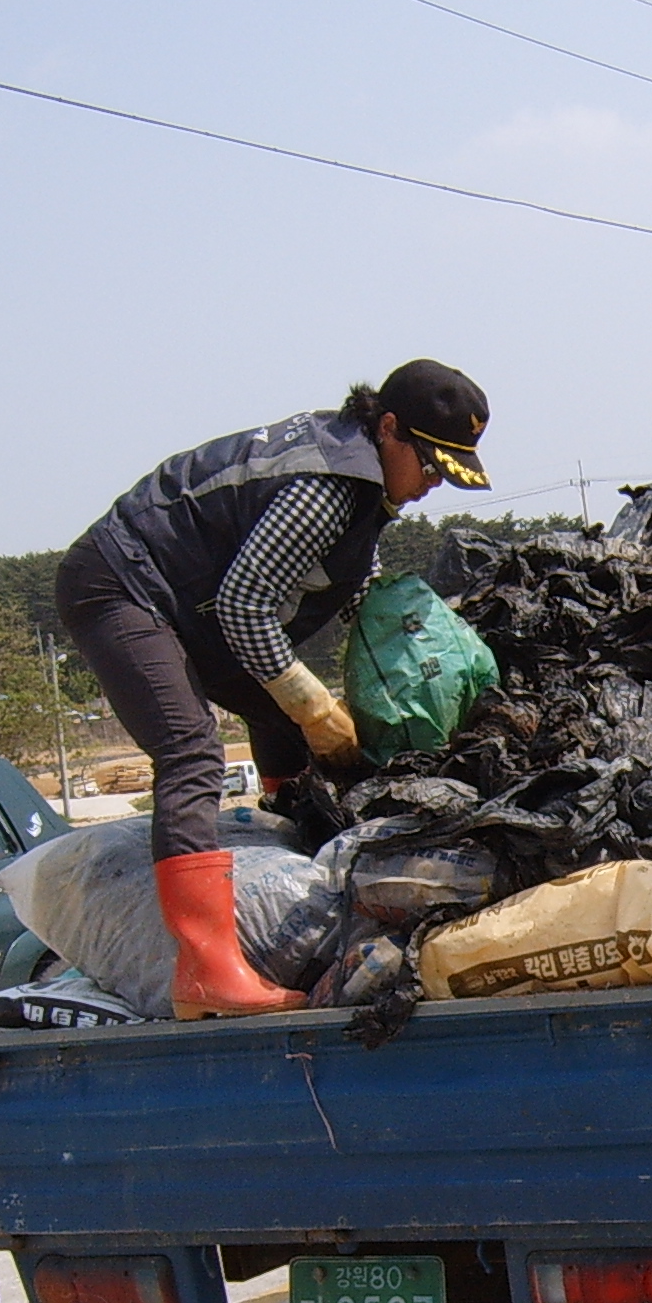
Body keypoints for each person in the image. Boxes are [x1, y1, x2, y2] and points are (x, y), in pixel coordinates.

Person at [54, 360, 491, 1018]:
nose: (432, 484)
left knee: (286, 726)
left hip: (191, 606)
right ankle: (206, 970)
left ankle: (295, 840)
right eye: (429, 464)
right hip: (125, 585)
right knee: (191, 750)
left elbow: (359, 594)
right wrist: (315, 706)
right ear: (389, 428)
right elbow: (245, 608)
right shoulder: (327, 485)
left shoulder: (365, 487)